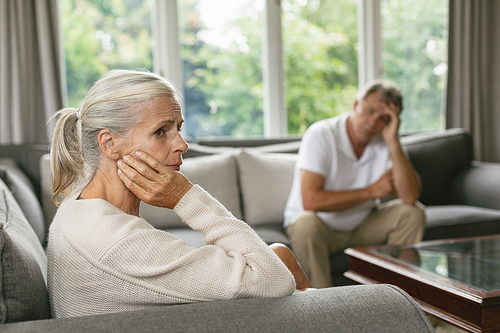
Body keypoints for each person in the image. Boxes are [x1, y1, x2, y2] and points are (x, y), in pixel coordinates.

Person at [47, 69, 311, 318]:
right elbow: (274, 280)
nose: (182, 145)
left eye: (178, 128)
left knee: (280, 253)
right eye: (161, 131)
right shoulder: (117, 242)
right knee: (279, 263)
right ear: (109, 143)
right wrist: (186, 197)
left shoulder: (76, 206)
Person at [283, 79, 426, 288]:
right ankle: (321, 309)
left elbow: (410, 197)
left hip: (362, 225)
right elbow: (311, 200)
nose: (373, 122)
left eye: (383, 118)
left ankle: (400, 299)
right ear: (355, 104)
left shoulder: (385, 139)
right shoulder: (321, 134)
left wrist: (393, 141)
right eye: (370, 111)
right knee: (305, 223)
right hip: (321, 227)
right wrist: (372, 191)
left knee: (412, 213)